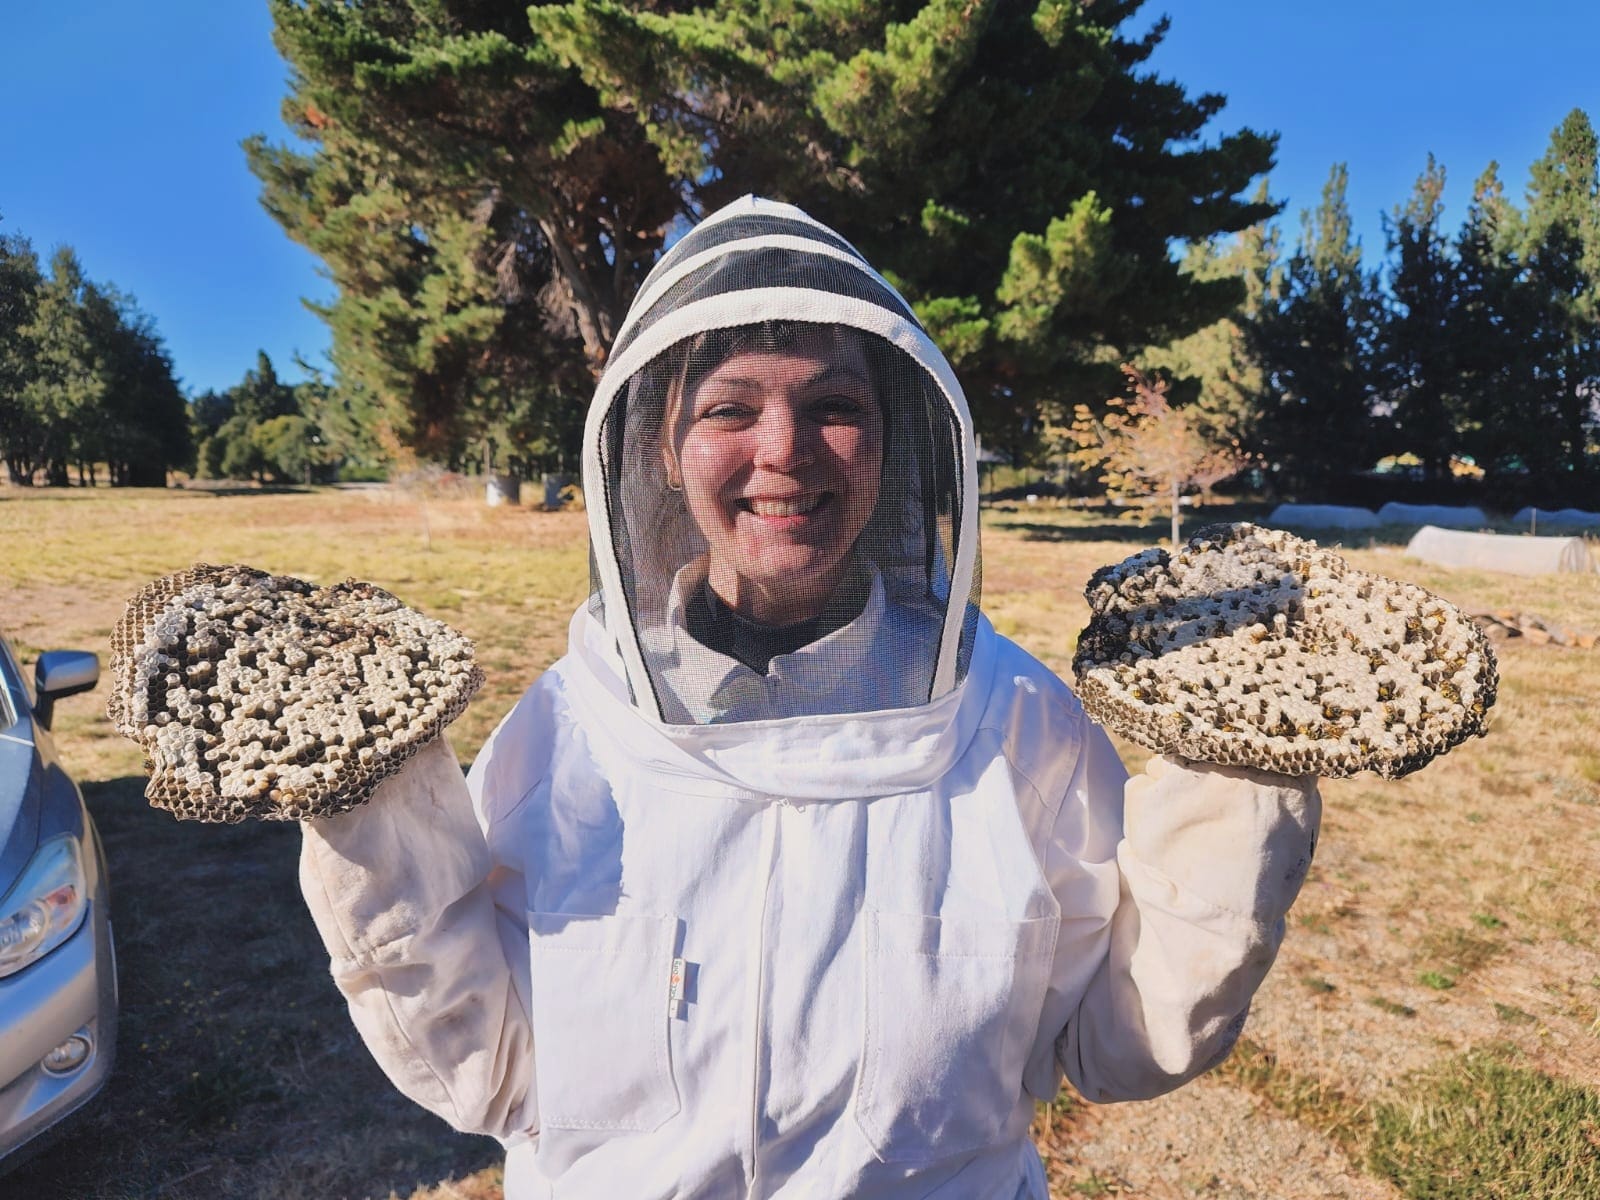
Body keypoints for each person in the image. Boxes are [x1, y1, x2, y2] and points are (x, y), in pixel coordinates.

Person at [298, 196, 1320, 1199]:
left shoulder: (1017, 726)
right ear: (660, 450)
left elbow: (1114, 1044)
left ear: (894, 443)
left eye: (835, 407)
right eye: (728, 409)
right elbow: (485, 1069)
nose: (783, 448)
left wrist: (1239, 791)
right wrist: (367, 814)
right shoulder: (568, 731)